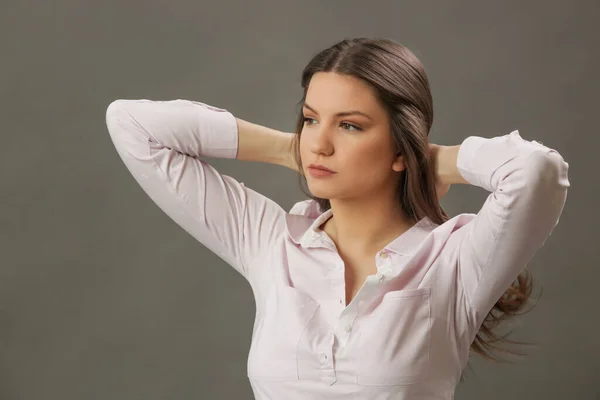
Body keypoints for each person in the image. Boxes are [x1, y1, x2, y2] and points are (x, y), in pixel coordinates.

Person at [105, 37, 570, 399]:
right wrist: (291, 150)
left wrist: (433, 159)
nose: (320, 143)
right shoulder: (272, 241)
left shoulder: (453, 261)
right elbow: (132, 125)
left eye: (349, 125)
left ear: (400, 143)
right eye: (310, 119)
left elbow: (538, 173)